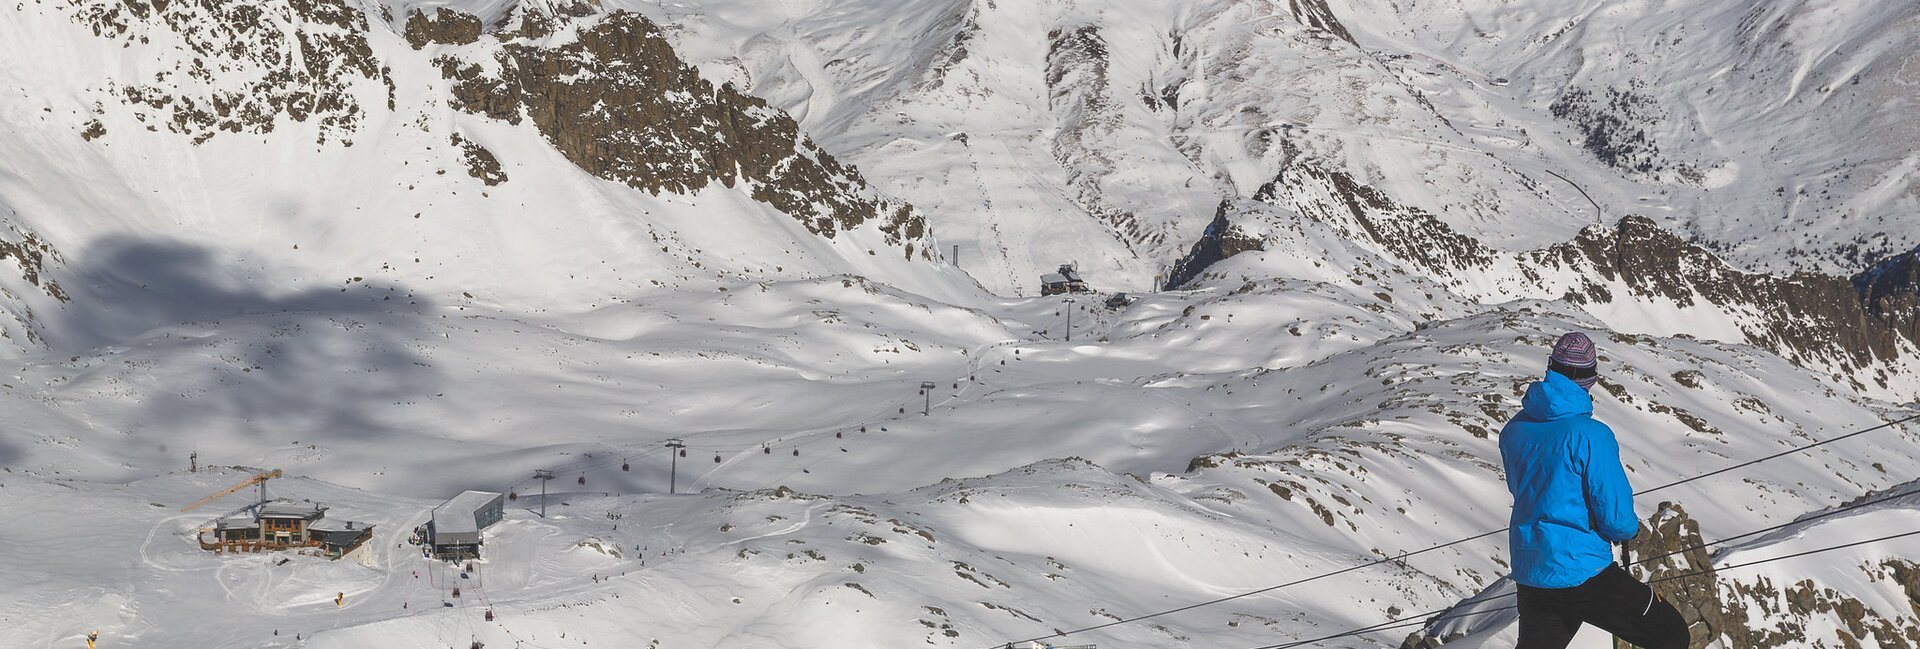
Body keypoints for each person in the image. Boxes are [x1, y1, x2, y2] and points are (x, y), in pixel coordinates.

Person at [1499, 332, 1688, 649]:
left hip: (1532, 570)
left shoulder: (1515, 428)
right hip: (1583, 571)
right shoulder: (1590, 435)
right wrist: (1625, 530)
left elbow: (1522, 490)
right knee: (1670, 634)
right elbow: (1617, 520)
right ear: (1588, 379)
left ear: (1551, 368)